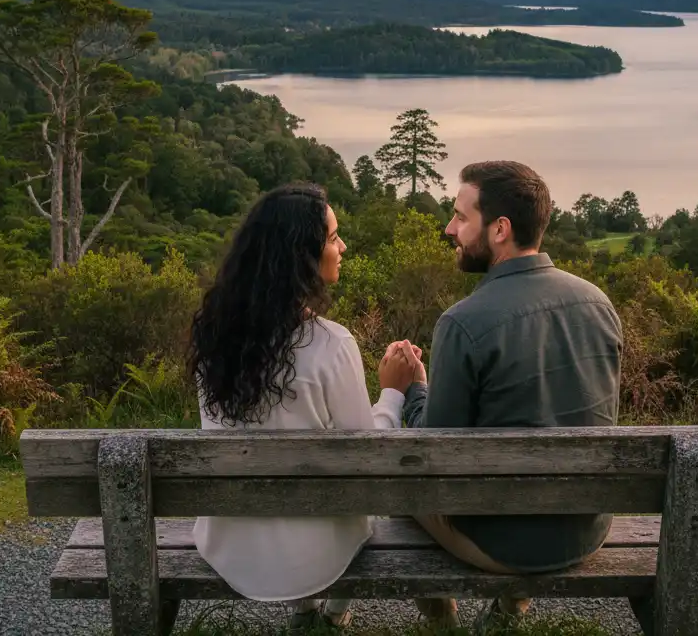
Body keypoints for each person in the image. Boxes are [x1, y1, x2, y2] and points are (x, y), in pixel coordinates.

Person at [188, 182, 420, 632]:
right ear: (301, 256)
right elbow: (365, 458)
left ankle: (310, 614)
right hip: (315, 559)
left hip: (231, 549)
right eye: (333, 238)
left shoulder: (213, 339)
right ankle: (332, 614)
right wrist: (391, 393)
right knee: (358, 500)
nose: (343, 246)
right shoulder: (332, 344)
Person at [402, 161, 623, 631]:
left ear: (500, 229)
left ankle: (441, 621)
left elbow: (433, 454)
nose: (450, 228)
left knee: (399, 491)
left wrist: (413, 389)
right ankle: (510, 609)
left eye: (461, 217)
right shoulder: (598, 304)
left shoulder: (464, 323)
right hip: (586, 528)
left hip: (503, 545)